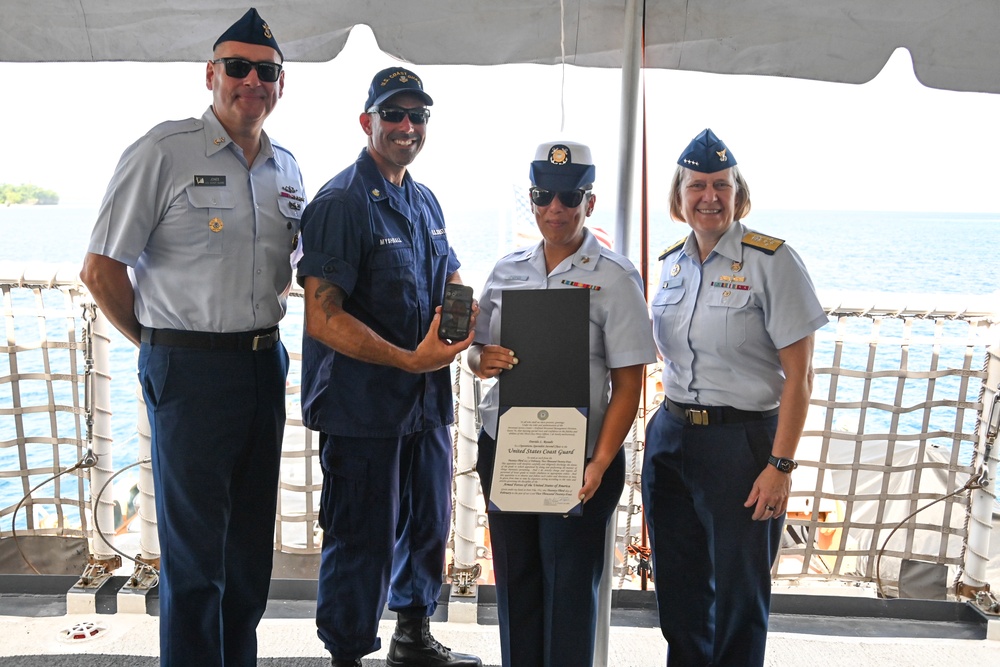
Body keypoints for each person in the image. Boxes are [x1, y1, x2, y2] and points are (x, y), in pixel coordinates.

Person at [79, 8, 302, 667]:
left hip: (265, 367)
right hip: (189, 370)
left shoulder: (288, 169)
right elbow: (100, 268)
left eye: (266, 71)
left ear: (281, 84)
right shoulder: (164, 151)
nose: (251, 81)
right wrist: (155, 343)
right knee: (195, 559)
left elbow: (299, 272)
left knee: (247, 555)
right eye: (237, 68)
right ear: (211, 75)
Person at [296, 67, 482, 667]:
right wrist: (409, 357)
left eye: (417, 116)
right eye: (393, 114)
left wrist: (466, 324)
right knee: (361, 541)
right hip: (363, 409)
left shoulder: (423, 199)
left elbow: (450, 275)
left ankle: (412, 636)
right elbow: (322, 318)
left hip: (425, 405)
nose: (407, 126)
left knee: (428, 524)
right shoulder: (341, 202)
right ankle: (347, 654)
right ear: (367, 121)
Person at [643, 128, 828, 666]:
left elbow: (801, 377)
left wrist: (781, 465)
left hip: (742, 444)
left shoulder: (772, 261)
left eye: (720, 185)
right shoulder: (670, 264)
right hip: (672, 436)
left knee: (739, 595)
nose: (709, 197)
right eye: (696, 185)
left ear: (737, 192)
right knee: (678, 587)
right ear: (679, 197)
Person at [468, 141, 657, 667]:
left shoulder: (616, 278)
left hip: (578, 458)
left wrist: (599, 462)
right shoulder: (506, 271)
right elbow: (475, 349)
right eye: (543, 195)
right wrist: (479, 360)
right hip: (507, 448)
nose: (556, 207)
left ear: (589, 203)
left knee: (570, 592)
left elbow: (630, 380)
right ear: (531, 200)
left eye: (570, 195)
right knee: (517, 583)